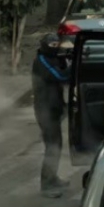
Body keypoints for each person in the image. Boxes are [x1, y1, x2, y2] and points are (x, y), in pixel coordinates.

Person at [32, 33, 71, 198]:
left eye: (57, 44)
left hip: (54, 109)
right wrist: (72, 66)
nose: (55, 48)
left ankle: (53, 178)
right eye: (52, 45)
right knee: (52, 147)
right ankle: (46, 185)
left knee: (57, 145)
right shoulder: (42, 60)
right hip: (45, 110)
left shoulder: (52, 58)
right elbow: (59, 76)